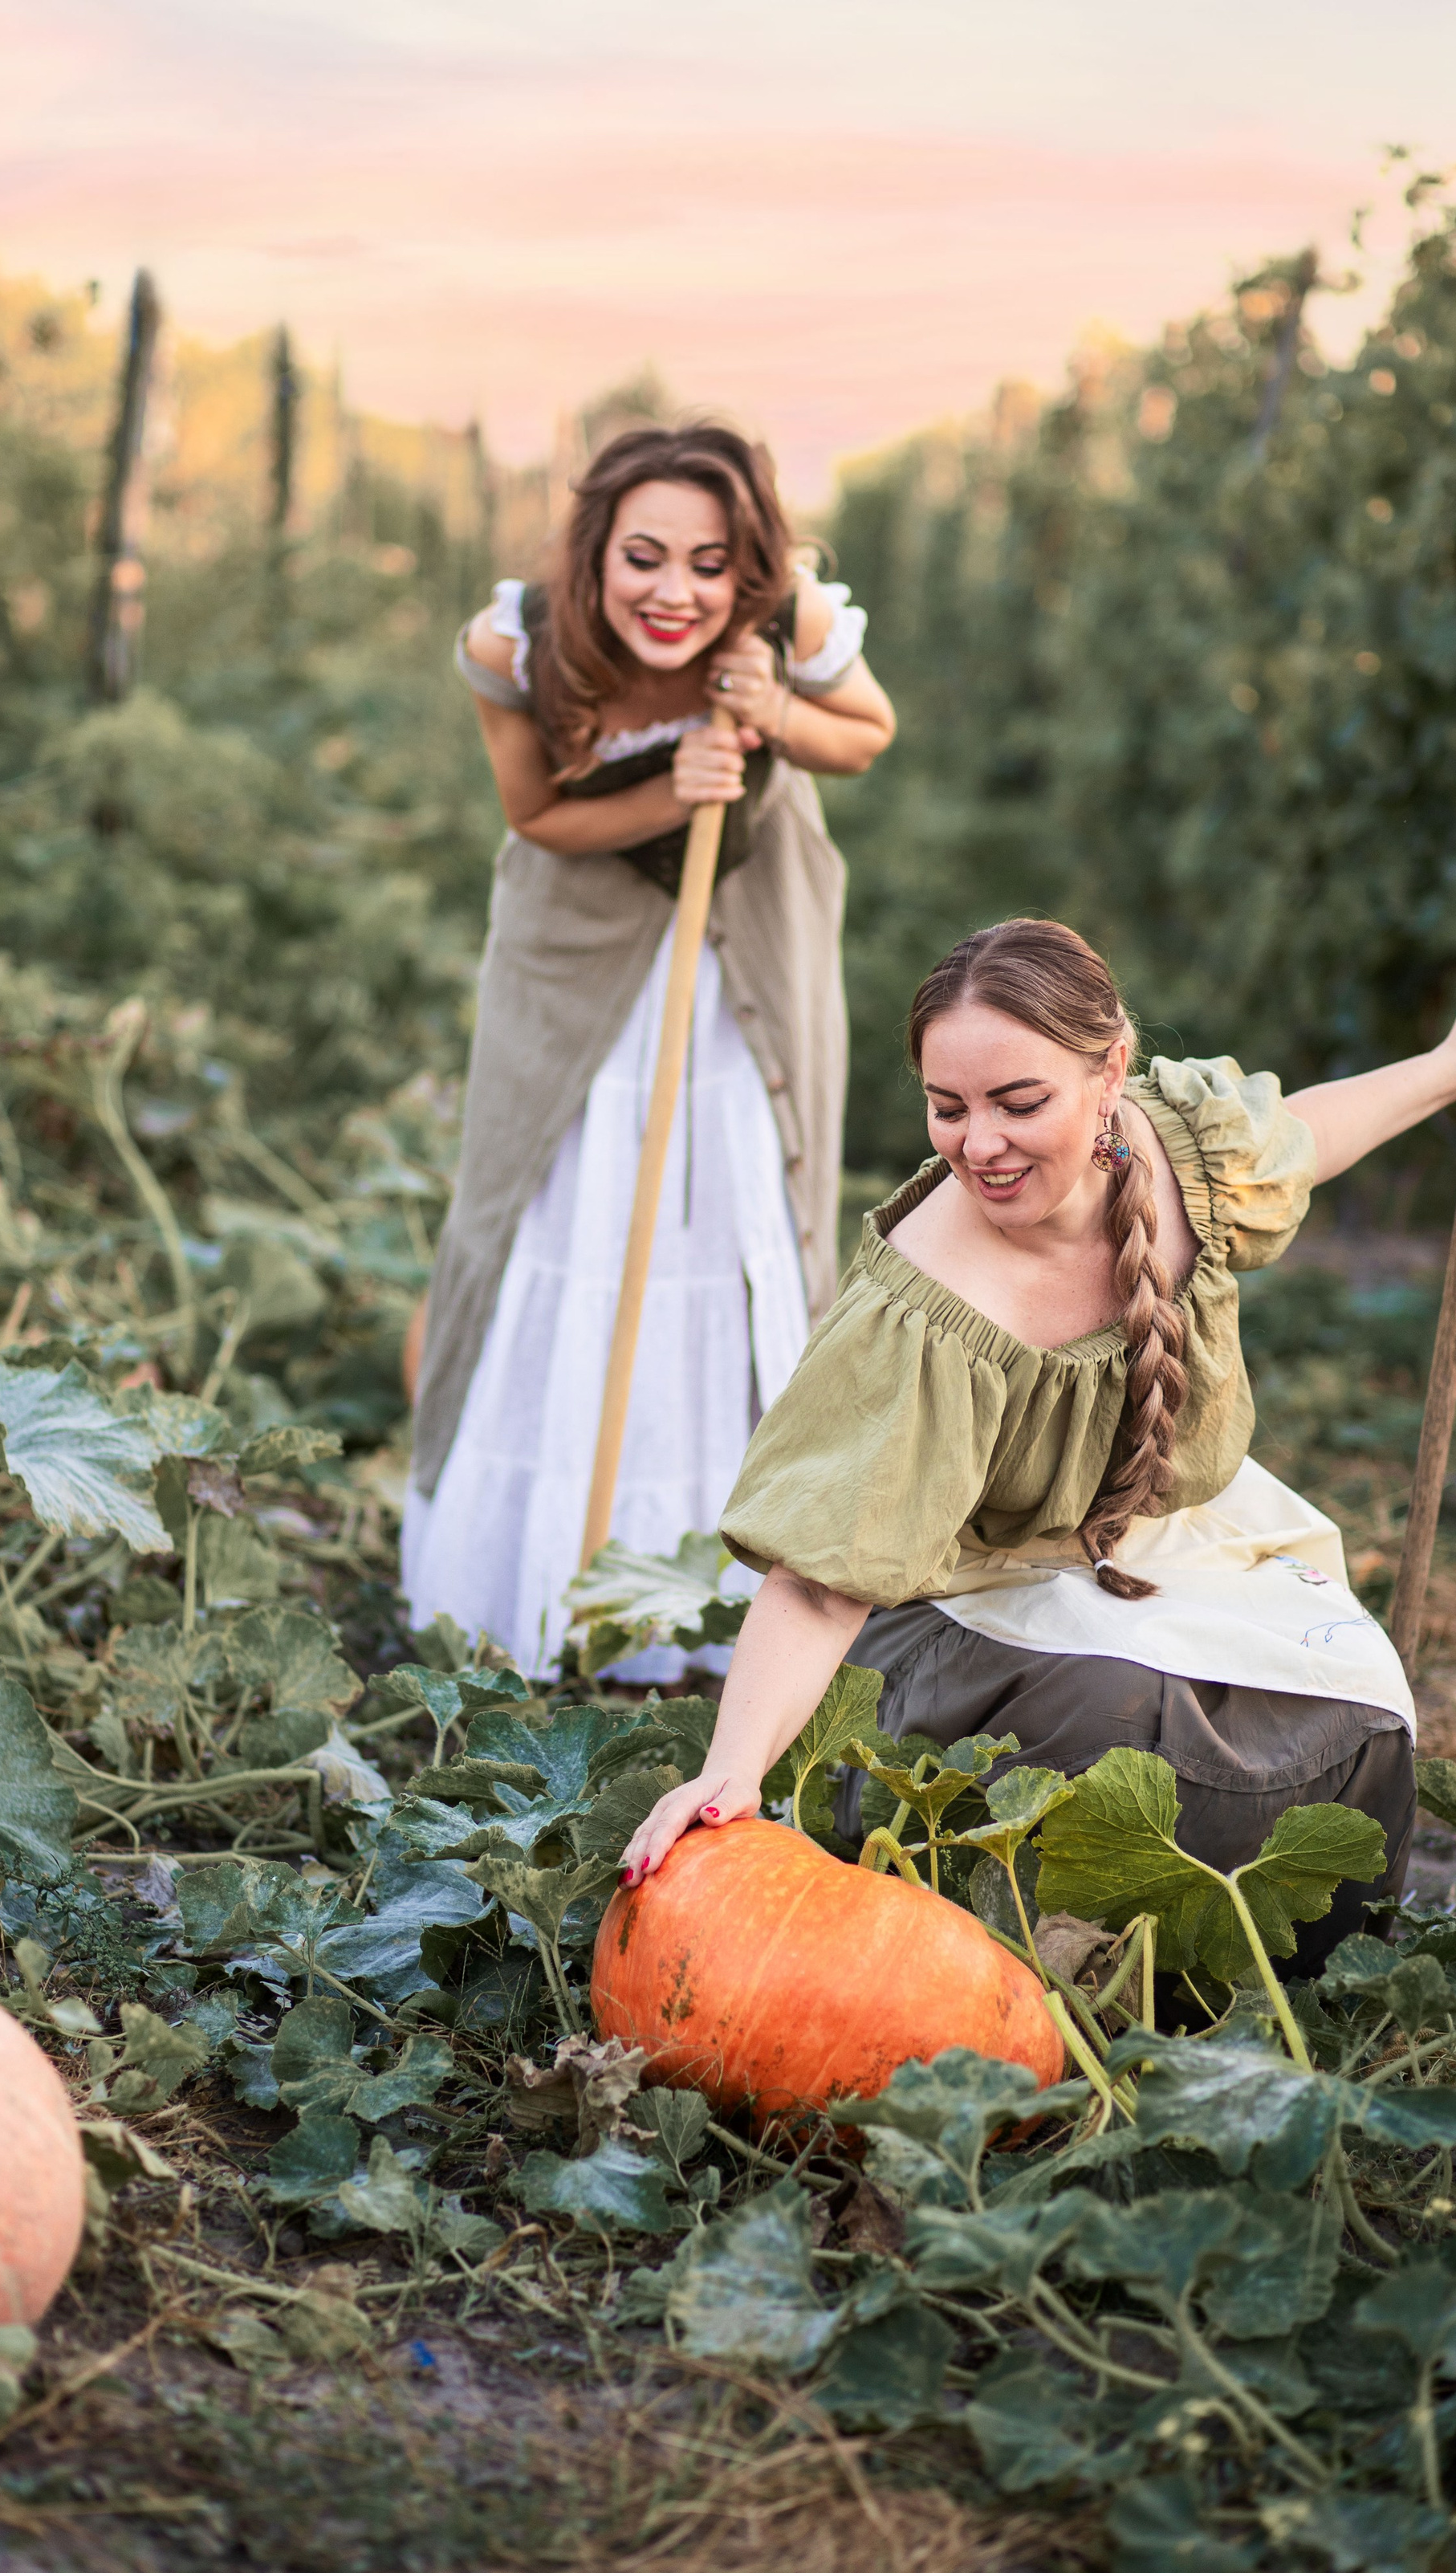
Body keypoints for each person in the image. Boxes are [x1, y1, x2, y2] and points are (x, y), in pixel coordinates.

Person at [620, 917, 1456, 1968]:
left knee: (1354, 1705)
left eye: (1019, 1103)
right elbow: (823, 1580)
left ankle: (1276, 1967)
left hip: (1152, 1542)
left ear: (1111, 1073)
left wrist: (1450, 1067)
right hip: (950, 1614)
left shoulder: (1182, 1155)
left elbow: (1306, 1136)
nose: (979, 1145)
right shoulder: (928, 1310)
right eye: (947, 1107)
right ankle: (1045, 1965)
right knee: (1132, 1722)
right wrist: (734, 1768)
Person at [404, 421, 896, 1675]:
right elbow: (534, 812)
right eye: (644, 557)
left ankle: (715, 1598)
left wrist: (773, 713)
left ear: (750, 570)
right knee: (557, 1201)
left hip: (744, 959)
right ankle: (535, 1584)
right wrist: (673, 783)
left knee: (726, 1203)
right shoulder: (512, 642)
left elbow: (867, 732)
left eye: (710, 562)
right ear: (594, 552)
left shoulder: (785, 623)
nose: (674, 591)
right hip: (577, 947)